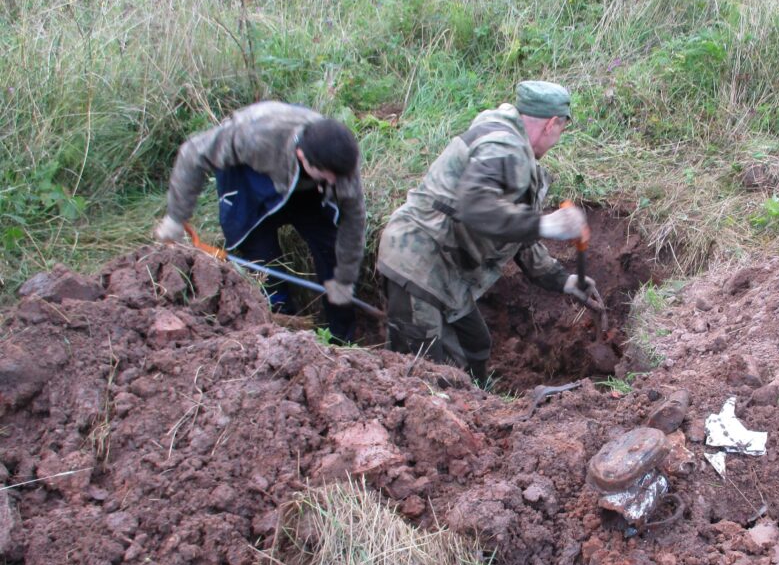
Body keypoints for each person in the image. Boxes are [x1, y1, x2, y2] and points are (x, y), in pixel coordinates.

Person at [377, 80, 603, 384]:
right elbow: (477, 207)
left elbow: (512, 229)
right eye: (561, 131)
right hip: (418, 264)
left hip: (446, 273)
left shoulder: (509, 147)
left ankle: (475, 405)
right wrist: (546, 224)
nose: (556, 140)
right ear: (552, 124)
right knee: (424, 376)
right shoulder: (504, 147)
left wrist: (564, 281)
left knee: (474, 346)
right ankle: (451, 415)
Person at [153, 102, 366, 343]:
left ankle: (342, 337)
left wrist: (344, 278)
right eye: (330, 176)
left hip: (308, 190)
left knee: (332, 252)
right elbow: (193, 153)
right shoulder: (255, 135)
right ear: (302, 156)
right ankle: (283, 330)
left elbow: (354, 221)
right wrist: (176, 218)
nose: (338, 181)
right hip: (250, 181)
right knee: (264, 261)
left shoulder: (341, 165)